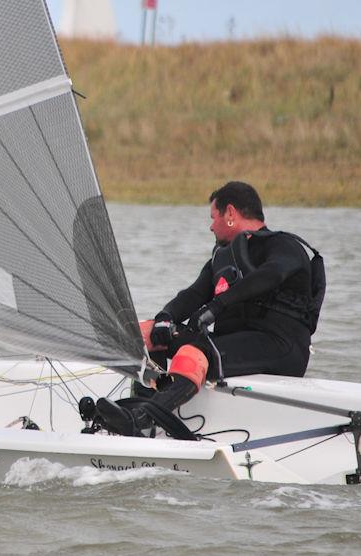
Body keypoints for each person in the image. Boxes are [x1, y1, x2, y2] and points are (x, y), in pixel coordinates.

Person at [96, 181, 317, 437]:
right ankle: (138, 408)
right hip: (233, 343)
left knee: (196, 350)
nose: (211, 226)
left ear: (231, 214)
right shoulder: (221, 257)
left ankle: (142, 419)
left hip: (280, 347)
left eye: (213, 217)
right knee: (147, 334)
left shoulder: (284, 246)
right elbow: (193, 294)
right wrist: (165, 319)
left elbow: (271, 274)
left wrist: (217, 305)